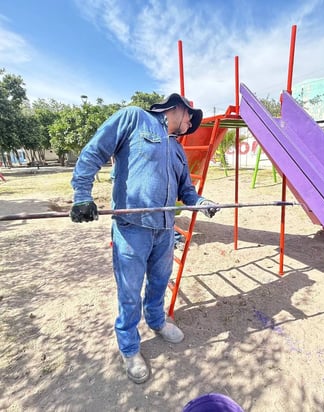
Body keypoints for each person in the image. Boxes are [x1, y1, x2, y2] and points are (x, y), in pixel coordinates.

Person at [70, 93, 219, 384]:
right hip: (132, 228)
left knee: (160, 283)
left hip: (165, 231)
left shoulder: (177, 150)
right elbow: (94, 152)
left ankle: (157, 321)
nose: (191, 123)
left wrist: (199, 202)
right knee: (129, 292)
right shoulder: (134, 118)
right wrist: (82, 195)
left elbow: (186, 191)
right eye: (190, 116)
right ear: (177, 107)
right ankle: (129, 348)